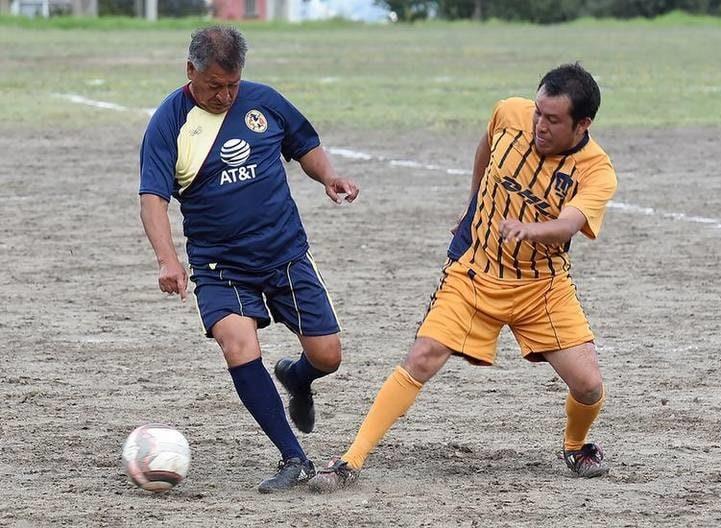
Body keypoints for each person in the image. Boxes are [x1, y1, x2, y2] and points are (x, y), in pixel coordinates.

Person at [308, 63, 617, 492]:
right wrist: (473, 201)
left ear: (582, 124)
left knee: (588, 385)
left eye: (553, 120)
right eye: (538, 113)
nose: (539, 125)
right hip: (476, 271)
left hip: (541, 286)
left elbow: (568, 224)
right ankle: (349, 460)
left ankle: (576, 445)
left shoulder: (596, 170)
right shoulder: (510, 114)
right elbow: (486, 147)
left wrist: (531, 230)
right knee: (423, 356)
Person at [138, 25, 359, 493]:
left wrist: (329, 177)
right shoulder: (168, 123)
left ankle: (297, 377)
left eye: (232, 85)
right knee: (237, 345)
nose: (224, 95)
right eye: (214, 85)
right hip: (221, 265)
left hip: (285, 254)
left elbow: (304, 145)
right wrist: (167, 260)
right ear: (190, 71)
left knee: (328, 356)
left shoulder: (264, 101)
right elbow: (153, 197)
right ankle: (293, 457)